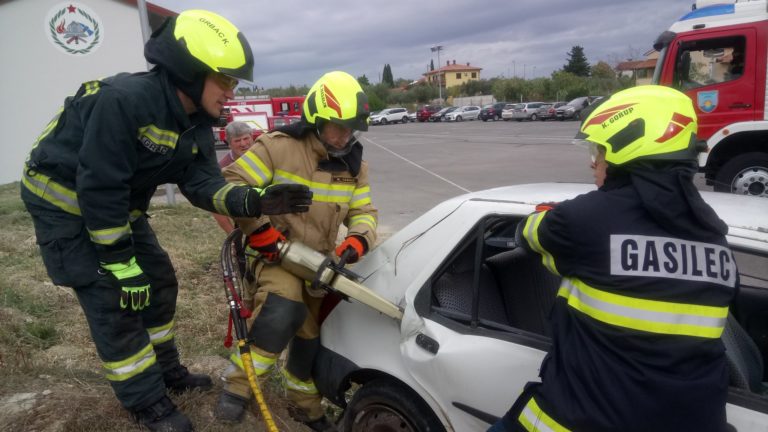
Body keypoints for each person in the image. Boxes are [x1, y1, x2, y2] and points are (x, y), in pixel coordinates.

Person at [20, 10, 312, 432]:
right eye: (224, 79)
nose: (231, 91)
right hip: (65, 206)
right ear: (188, 71)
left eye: (234, 82)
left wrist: (255, 200)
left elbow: (203, 185)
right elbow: (100, 187)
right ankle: (146, 401)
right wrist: (120, 263)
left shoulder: (196, 123)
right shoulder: (123, 101)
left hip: (117, 206)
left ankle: (165, 369)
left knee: (158, 281)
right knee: (116, 299)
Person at [490, 85, 737, 432]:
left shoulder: (583, 220)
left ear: (626, 148)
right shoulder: (716, 238)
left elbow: (527, 235)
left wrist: (554, 214)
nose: (594, 163)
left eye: (600, 151)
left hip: (581, 419)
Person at [215, 70, 377, 431]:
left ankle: (303, 403)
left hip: (318, 264)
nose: (345, 136)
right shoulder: (278, 147)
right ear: (316, 119)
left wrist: (357, 240)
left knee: (310, 337)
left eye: (351, 129)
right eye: (338, 127)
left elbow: (364, 212)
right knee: (283, 309)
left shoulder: (355, 166)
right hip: (273, 254)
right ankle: (238, 388)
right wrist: (259, 231)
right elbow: (232, 185)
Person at [213, 121, 255, 233]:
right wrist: (232, 234)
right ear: (229, 143)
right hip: (247, 221)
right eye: (237, 140)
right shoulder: (223, 168)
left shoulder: (265, 156)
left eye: (246, 138)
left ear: (252, 137)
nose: (243, 144)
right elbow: (215, 207)